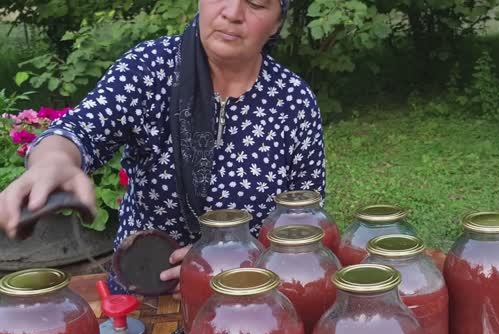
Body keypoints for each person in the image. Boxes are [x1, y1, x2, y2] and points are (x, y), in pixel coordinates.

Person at [0, 0, 326, 295]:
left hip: (250, 295)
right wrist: (54, 160)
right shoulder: (151, 69)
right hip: (147, 293)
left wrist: (240, 263)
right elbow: (80, 129)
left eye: (256, 4)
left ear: (277, 23)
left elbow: (306, 223)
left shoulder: (292, 101)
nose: (232, 13)